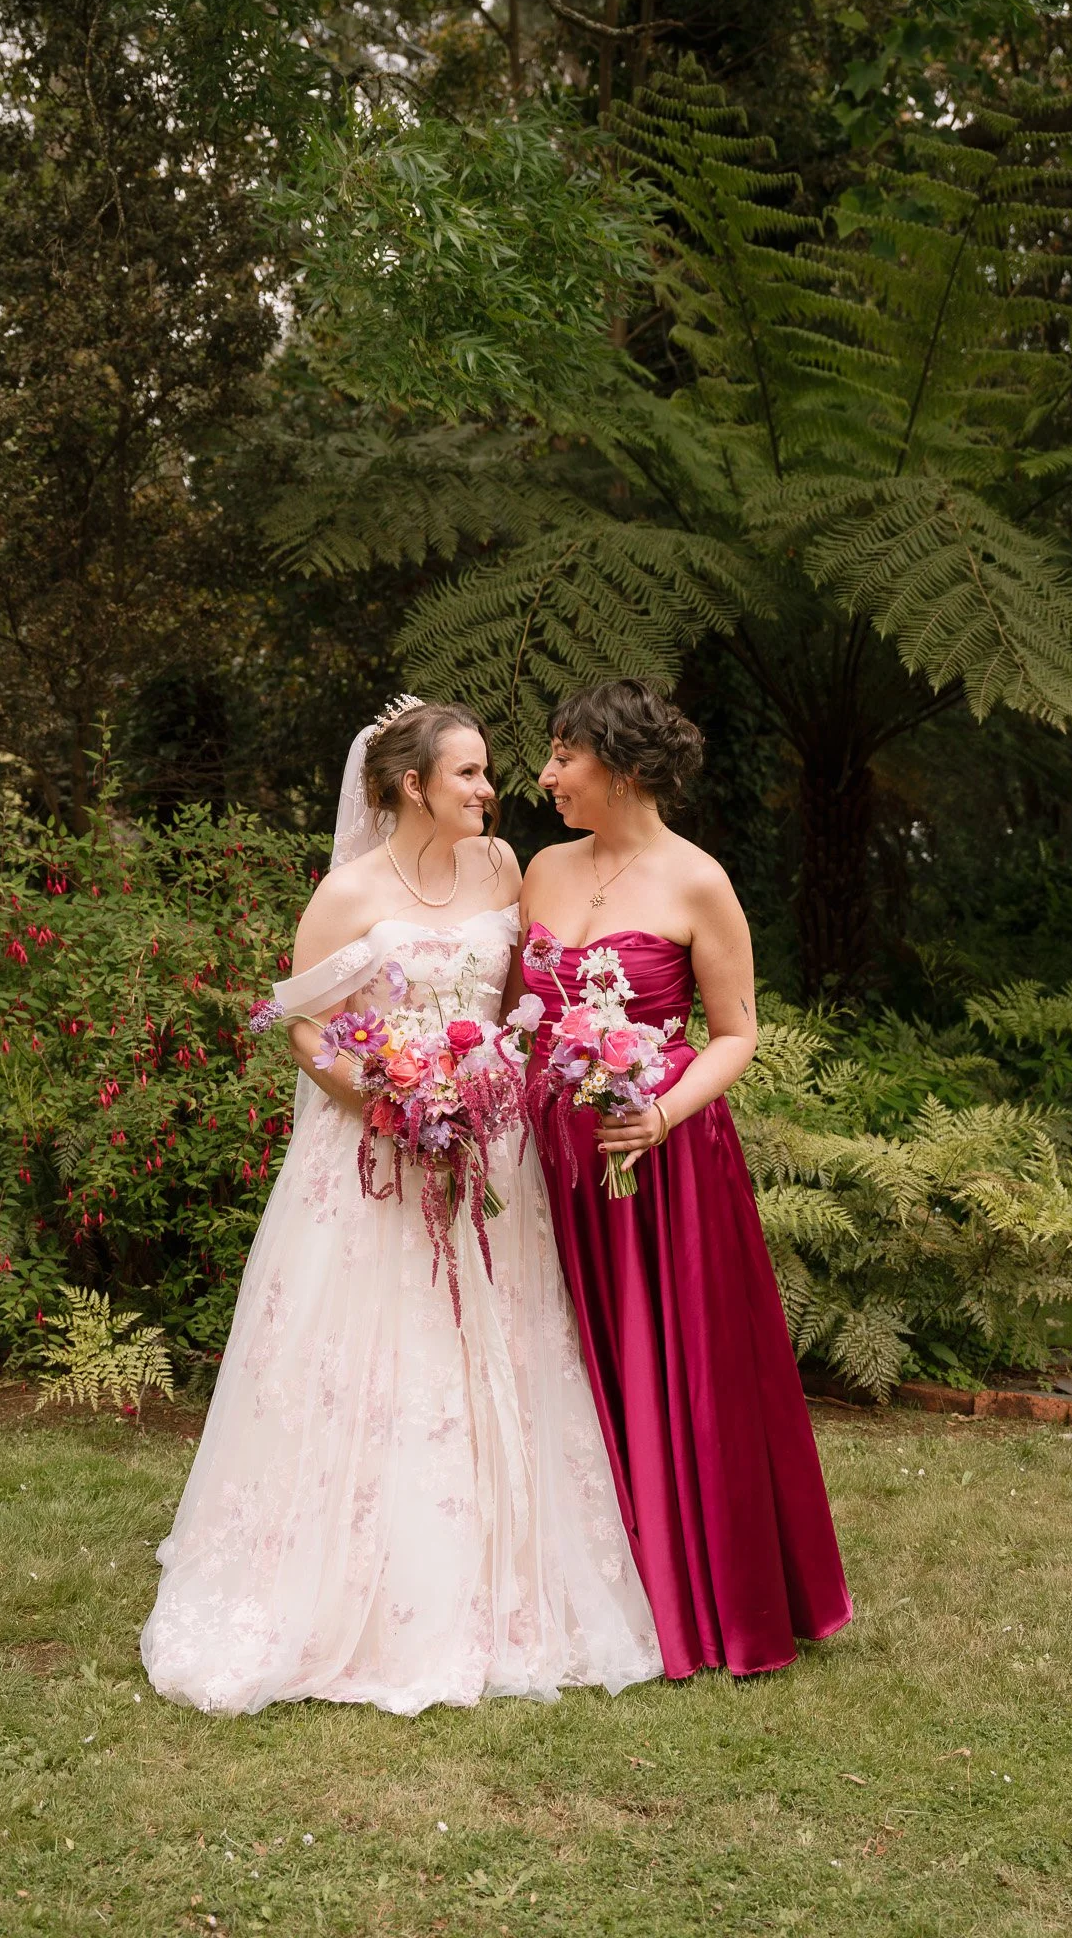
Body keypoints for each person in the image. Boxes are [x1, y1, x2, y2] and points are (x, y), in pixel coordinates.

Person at [141, 697, 661, 1716]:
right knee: (372, 1361)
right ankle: (347, 1587)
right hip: (375, 1163)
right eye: (468, 772)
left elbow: (520, 998)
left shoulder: (504, 869)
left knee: (493, 1350)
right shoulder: (347, 893)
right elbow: (305, 1029)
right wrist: (392, 1101)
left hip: (490, 1161)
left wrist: (508, 1077)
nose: (489, 788)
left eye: (488, 772)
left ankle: (504, 1589)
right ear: (413, 785)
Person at [513, 678, 851, 1680]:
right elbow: (516, 1011)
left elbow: (736, 1032)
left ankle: (693, 1596)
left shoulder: (699, 880)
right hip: (550, 1157)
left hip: (660, 1160)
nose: (546, 775)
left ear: (618, 767)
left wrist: (658, 1112)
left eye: (564, 755)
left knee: (675, 1368)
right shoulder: (541, 866)